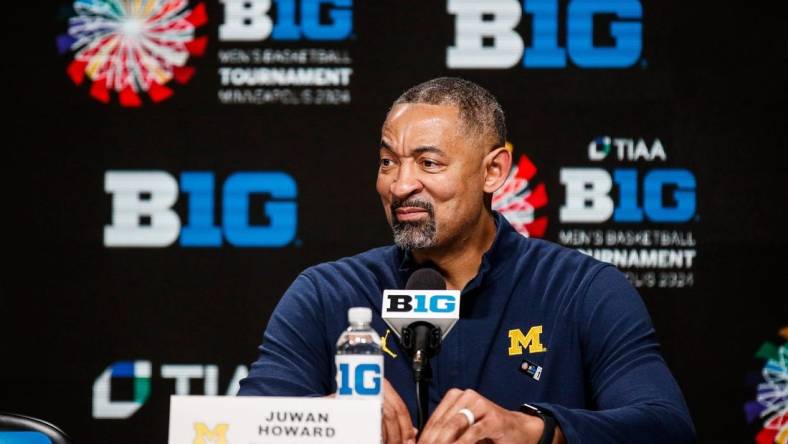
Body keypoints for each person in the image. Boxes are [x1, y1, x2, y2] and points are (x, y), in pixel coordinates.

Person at [238, 77, 696, 444]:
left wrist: (534, 431)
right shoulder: (327, 293)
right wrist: (331, 418)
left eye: (428, 163)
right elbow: (240, 429)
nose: (399, 186)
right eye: (387, 162)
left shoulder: (582, 290)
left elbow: (666, 426)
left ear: (493, 171)